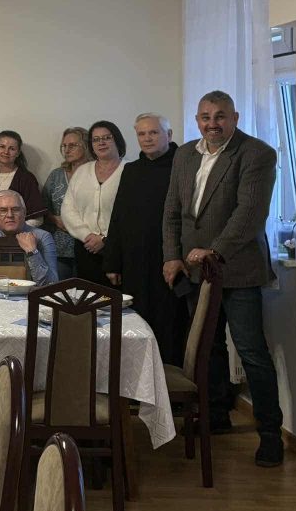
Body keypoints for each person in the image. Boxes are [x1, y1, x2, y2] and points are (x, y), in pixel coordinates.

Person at [162, 90, 283, 467]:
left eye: (220, 116)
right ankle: (216, 415)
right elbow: (172, 211)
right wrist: (172, 255)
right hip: (194, 270)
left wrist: (214, 250)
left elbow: (250, 214)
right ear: (197, 119)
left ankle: (270, 434)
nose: (212, 124)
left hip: (238, 269)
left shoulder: (257, 153)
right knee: (207, 347)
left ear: (235, 118)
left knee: (251, 352)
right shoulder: (185, 154)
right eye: (205, 117)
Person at [104, 113, 187, 365]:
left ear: (168, 135)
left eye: (153, 132)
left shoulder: (183, 166)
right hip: (135, 261)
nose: (147, 138)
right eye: (142, 134)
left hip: (170, 259)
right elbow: (118, 215)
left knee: (171, 322)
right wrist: (113, 261)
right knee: (137, 321)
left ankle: (170, 381)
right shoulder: (131, 170)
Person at [61, 120, 125, 286]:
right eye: (96, 139)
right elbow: (68, 209)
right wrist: (87, 235)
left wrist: (104, 240)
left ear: (117, 140)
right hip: (86, 247)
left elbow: (131, 214)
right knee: (87, 296)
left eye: (107, 138)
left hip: (118, 249)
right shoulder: (82, 171)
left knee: (116, 297)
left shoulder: (129, 171)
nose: (101, 143)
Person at [0, 190, 58, 285]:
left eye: (15, 209)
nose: (10, 215)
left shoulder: (43, 237)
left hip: (30, 294)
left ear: (24, 212)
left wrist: (33, 252)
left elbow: (52, 284)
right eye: (3, 210)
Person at [41, 127, 90, 280]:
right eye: (64, 146)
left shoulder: (95, 174)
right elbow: (42, 207)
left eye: (72, 145)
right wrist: (55, 219)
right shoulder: (56, 175)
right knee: (59, 289)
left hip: (88, 245)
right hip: (58, 247)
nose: (67, 150)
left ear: (86, 146)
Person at [0, 130, 47, 230]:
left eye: (12, 149)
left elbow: (37, 219)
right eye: (2, 146)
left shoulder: (26, 178)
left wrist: (13, 233)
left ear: (18, 153)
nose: (6, 152)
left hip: (14, 238)